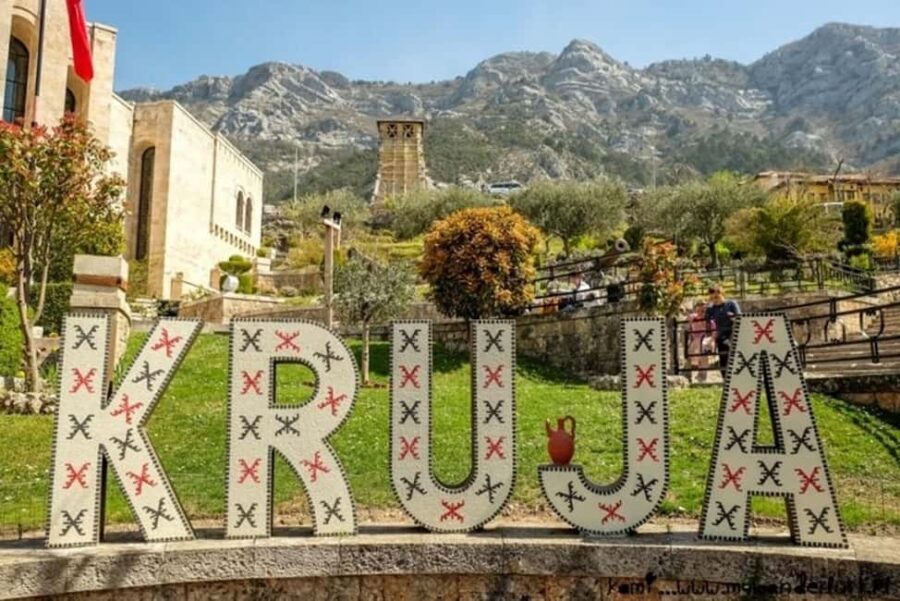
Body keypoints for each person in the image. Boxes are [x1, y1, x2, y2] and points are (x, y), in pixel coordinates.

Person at [705, 284, 741, 375]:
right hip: (721, 336)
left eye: (716, 297)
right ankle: (726, 378)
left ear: (722, 294)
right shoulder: (711, 309)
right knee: (724, 359)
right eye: (712, 298)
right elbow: (707, 322)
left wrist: (733, 318)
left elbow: (740, 318)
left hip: (734, 333)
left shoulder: (731, 304)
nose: (715, 300)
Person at [686, 301, 715, 383]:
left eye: (702, 311)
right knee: (693, 353)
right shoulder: (694, 318)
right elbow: (688, 318)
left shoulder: (709, 321)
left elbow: (714, 333)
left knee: (703, 352)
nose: (700, 313)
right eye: (698, 311)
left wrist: (711, 340)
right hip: (696, 341)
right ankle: (690, 374)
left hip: (706, 340)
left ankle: (703, 375)